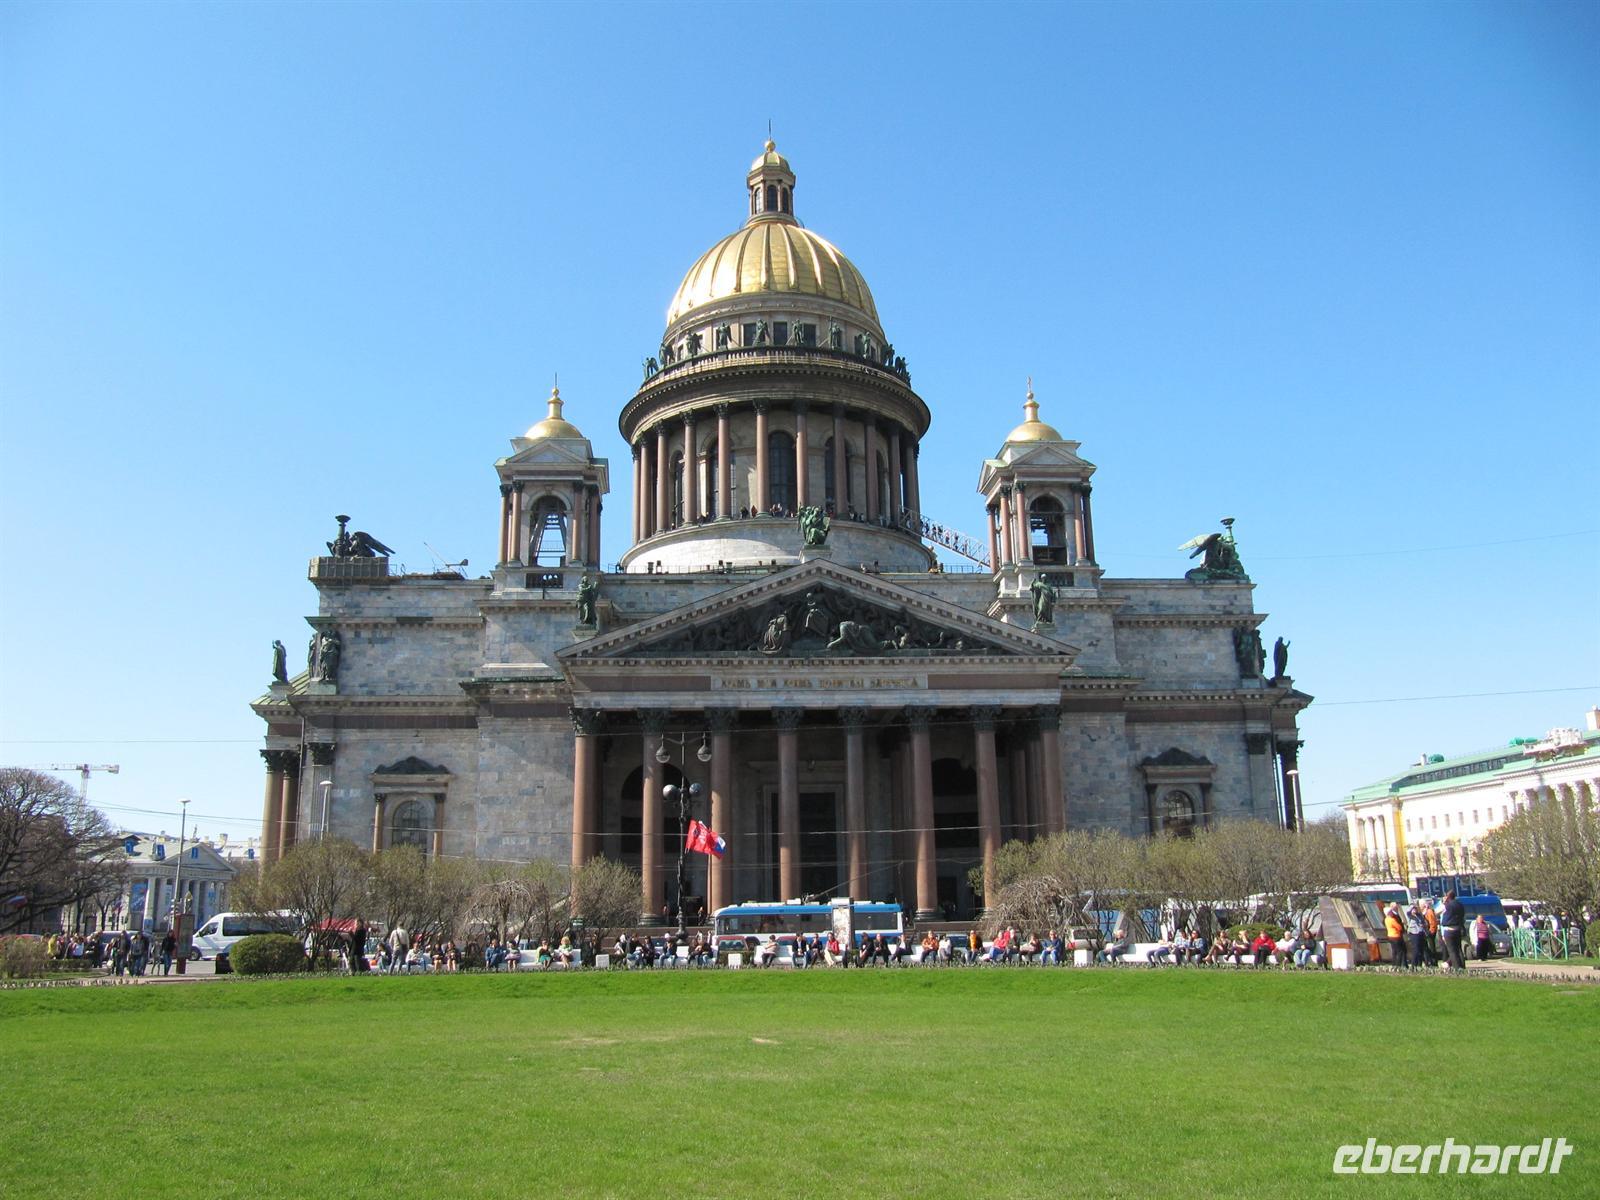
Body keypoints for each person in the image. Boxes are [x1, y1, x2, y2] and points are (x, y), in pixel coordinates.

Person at [1439, 890, 1466, 970]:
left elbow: (1436, 912)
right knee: (1458, 949)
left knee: (1452, 951)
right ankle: (1461, 966)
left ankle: (1456, 967)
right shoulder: (1460, 905)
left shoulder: (1447, 905)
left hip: (1449, 930)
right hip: (1458, 929)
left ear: (1448, 897)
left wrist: (1443, 903)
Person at [1404, 903, 1429, 970]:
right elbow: (1408, 911)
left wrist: (1424, 926)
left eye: (1415, 909)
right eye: (1413, 909)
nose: (1414, 910)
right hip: (1414, 933)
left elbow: (1424, 922)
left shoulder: (1419, 915)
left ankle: (1419, 964)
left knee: (1421, 949)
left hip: (1421, 933)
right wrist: (1413, 905)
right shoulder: (1410, 915)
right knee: (1416, 949)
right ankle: (1413, 965)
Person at [1384, 903, 1409, 969]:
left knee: (1394, 951)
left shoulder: (1386, 919)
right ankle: (1398, 965)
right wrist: (1402, 927)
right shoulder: (1392, 920)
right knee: (1400, 951)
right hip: (1396, 936)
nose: (1392, 913)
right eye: (1390, 912)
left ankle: (1394, 964)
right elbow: (1399, 927)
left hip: (1390, 936)